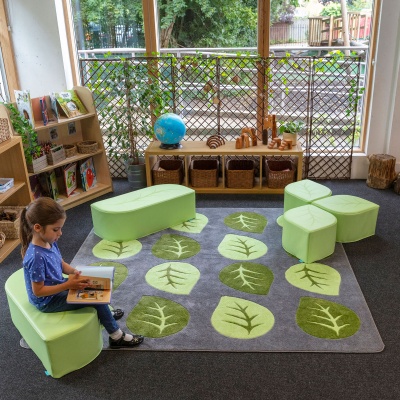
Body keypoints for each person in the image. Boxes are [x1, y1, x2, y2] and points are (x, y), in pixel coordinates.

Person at [19, 197, 144, 349]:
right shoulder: (36, 257)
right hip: (48, 301)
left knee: (96, 283)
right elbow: (38, 292)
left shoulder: (49, 241)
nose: (61, 233)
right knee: (96, 298)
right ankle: (116, 337)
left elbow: (60, 263)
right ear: (38, 228)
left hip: (59, 285)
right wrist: (68, 284)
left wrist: (73, 271)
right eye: (56, 229)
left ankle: (107, 316)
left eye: (60, 228)